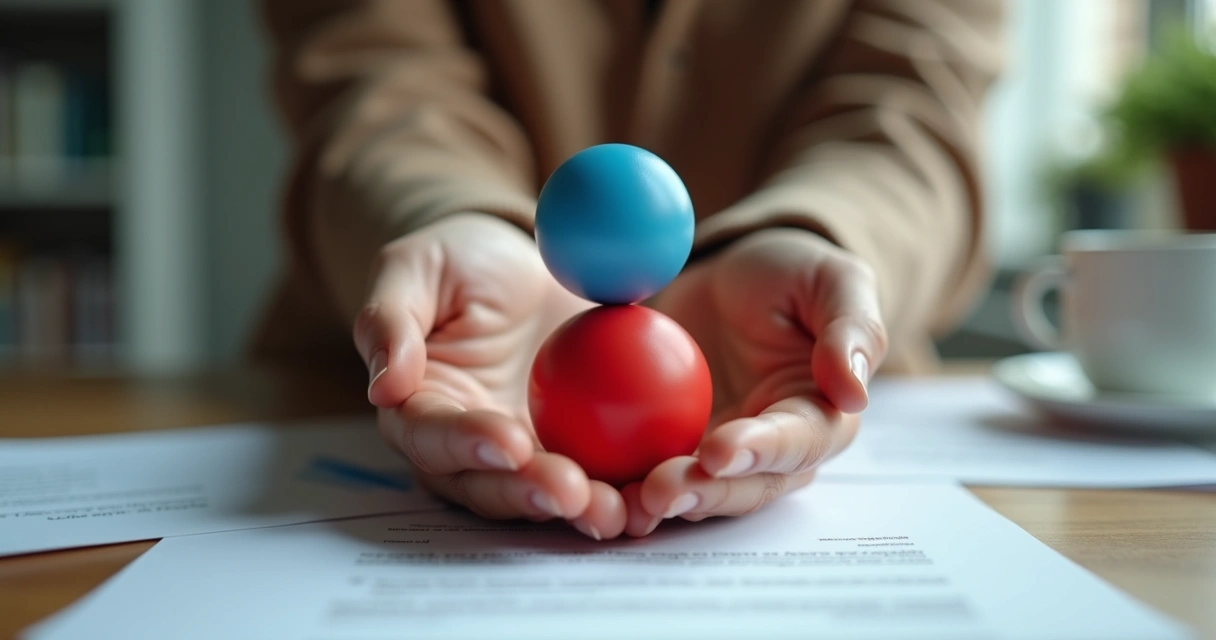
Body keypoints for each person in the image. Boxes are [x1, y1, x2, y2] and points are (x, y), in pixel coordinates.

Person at [253, 0, 1002, 540]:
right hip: (367, 380)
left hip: (801, 363)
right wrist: (460, 219)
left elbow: (913, 107)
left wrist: (812, 235)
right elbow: (374, 83)